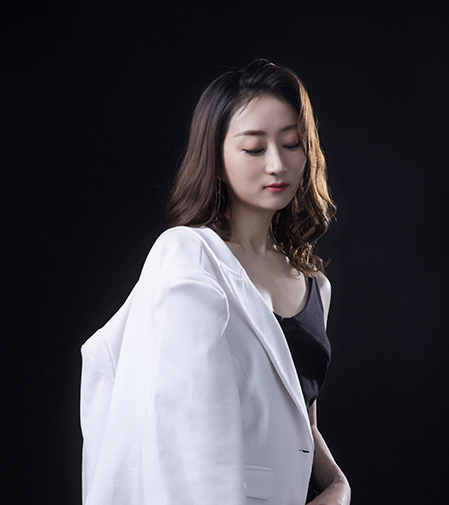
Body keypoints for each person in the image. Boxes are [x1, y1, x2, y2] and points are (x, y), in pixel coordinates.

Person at [80, 58, 351, 505]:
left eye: (292, 143)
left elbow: (301, 421)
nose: (277, 164)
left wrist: (338, 484)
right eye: (254, 148)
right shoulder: (188, 256)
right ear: (217, 158)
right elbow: (183, 430)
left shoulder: (315, 286)